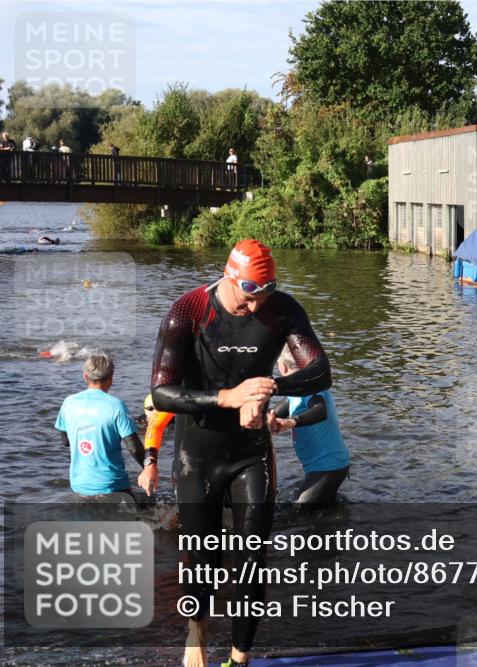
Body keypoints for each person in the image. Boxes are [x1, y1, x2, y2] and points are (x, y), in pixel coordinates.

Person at [150, 239, 332, 667]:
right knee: (203, 557)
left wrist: (269, 389)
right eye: (250, 295)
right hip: (198, 456)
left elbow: (320, 370)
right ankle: (196, 631)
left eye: (265, 294)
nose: (256, 306)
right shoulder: (189, 311)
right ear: (231, 277)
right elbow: (160, 393)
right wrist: (228, 398)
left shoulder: (282, 309)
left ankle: (239, 658)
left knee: (253, 557)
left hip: (250, 453)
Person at [54, 353, 144, 501]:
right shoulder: (116, 406)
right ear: (111, 377)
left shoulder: (68, 402)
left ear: (85, 376)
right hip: (113, 486)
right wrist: (147, 467)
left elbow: (65, 441)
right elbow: (134, 447)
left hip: (79, 486)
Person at [268, 346, 349, 504]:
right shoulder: (296, 392)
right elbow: (274, 412)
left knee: (302, 509)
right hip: (321, 466)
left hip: (329, 467)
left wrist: (291, 422)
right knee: (316, 505)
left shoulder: (313, 389)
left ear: (282, 367)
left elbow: (320, 410)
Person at [137, 393, 173, 495]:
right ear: (145, 410)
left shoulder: (172, 421)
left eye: (158, 408)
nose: (155, 412)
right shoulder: (139, 423)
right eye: (150, 409)